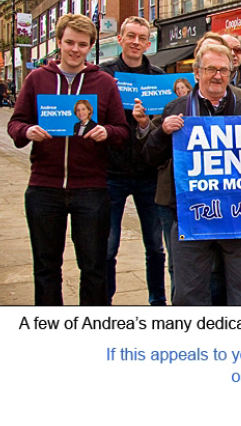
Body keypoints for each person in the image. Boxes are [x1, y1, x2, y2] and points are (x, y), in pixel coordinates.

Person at [7, 13, 129, 305]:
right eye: (70, 42)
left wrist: (107, 132)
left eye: (82, 44)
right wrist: (27, 131)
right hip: (44, 187)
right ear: (59, 42)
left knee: (94, 267)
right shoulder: (37, 79)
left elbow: (122, 131)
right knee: (46, 268)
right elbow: (15, 124)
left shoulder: (104, 82)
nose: (75, 49)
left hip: (91, 188)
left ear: (90, 47)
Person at [143, 43, 241, 305]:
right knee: (189, 293)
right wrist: (162, 133)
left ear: (231, 73)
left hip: (237, 217)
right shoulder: (176, 108)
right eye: (210, 69)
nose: (217, 76)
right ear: (197, 73)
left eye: (223, 70)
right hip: (191, 216)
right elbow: (150, 158)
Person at [99, 16, 168, 306]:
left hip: (148, 173)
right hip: (111, 171)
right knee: (107, 246)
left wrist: (146, 123)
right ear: (120, 39)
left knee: (155, 246)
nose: (136, 42)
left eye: (142, 38)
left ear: (148, 43)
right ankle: (105, 301)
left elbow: (163, 124)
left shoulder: (159, 77)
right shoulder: (104, 74)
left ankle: (157, 301)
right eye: (131, 36)